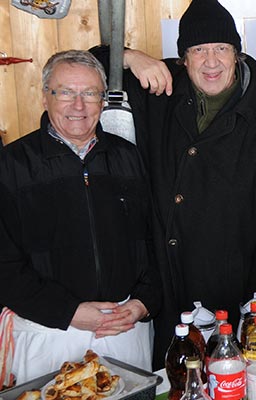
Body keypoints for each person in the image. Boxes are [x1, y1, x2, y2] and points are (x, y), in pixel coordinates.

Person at [90, 0, 256, 368]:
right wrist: (128, 56)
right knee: (178, 379)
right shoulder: (158, 93)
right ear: (182, 59)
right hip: (170, 282)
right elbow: (82, 67)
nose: (211, 61)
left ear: (237, 54)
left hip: (237, 285)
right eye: (198, 50)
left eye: (221, 49)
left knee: (235, 378)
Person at [0, 50, 161, 383]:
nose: (79, 105)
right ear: (45, 97)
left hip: (124, 331)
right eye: (66, 93)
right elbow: (4, 265)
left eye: (89, 93)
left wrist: (144, 302)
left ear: (103, 100)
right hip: (50, 335)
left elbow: (155, 242)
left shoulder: (128, 158)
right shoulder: (12, 166)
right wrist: (69, 312)